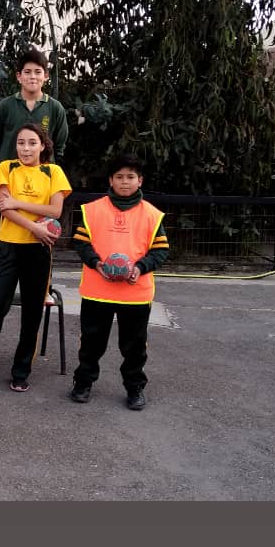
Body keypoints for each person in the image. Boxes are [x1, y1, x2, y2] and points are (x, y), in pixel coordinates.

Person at [0, 121, 70, 392]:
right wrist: (35, 227)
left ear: (42, 146)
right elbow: (4, 209)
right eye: (21, 143)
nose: (26, 148)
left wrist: (18, 202)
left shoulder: (53, 171)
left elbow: (55, 211)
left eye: (32, 143)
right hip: (7, 248)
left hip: (38, 251)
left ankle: (21, 372)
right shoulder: (6, 168)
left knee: (32, 313)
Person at [68, 153, 169, 411]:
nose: (125, 182)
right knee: (91, 343)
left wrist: (140, 268)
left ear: (140, 180)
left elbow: (160, 250)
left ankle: (134, 388)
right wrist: (96, 263)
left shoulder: (152, 215)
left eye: (130, 177)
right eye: (119, 177)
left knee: (134, 347)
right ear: (111, 180)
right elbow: (80, 243)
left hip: (135, 295)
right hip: (97, 291)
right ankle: (83, 383)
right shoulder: (93, 210)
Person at [0, 47, 69, 172]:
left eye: (38, 72)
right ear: (19, 76)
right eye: (27, 72)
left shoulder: (55, 108)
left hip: (42, 176)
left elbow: (59, 147)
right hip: (10, 175)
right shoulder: (5, 106)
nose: (32, 76)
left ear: (46, 76)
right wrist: (6, 160)